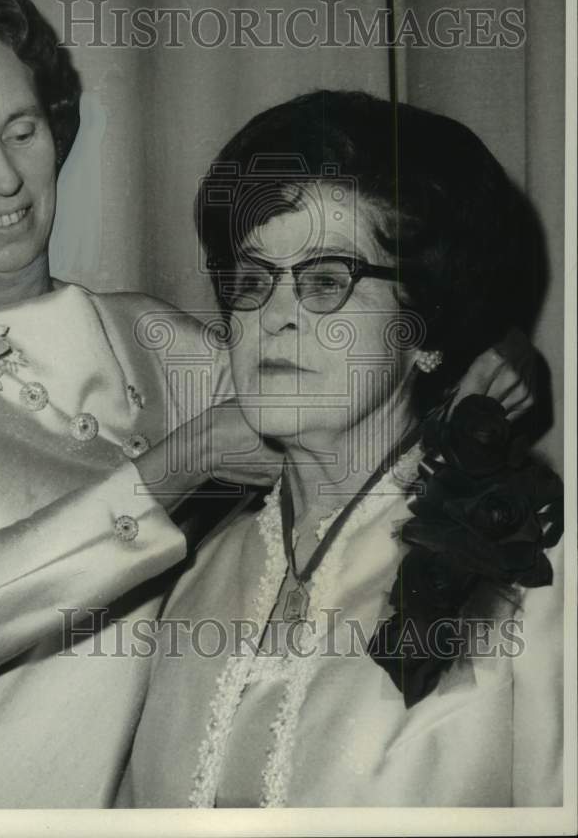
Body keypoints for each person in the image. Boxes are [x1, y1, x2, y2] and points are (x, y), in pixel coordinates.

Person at [0, 0, 532, 809]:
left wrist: (501, 353)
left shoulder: (161, 340)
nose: (2, 179)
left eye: (20, 130)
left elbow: (356, 358)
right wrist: (172, 467)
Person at [121, 91, 564, 807]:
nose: (274, 316)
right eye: (252, 280)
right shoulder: (194, 577)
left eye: (326, 280)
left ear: (423, 324)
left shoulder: (538, 569)